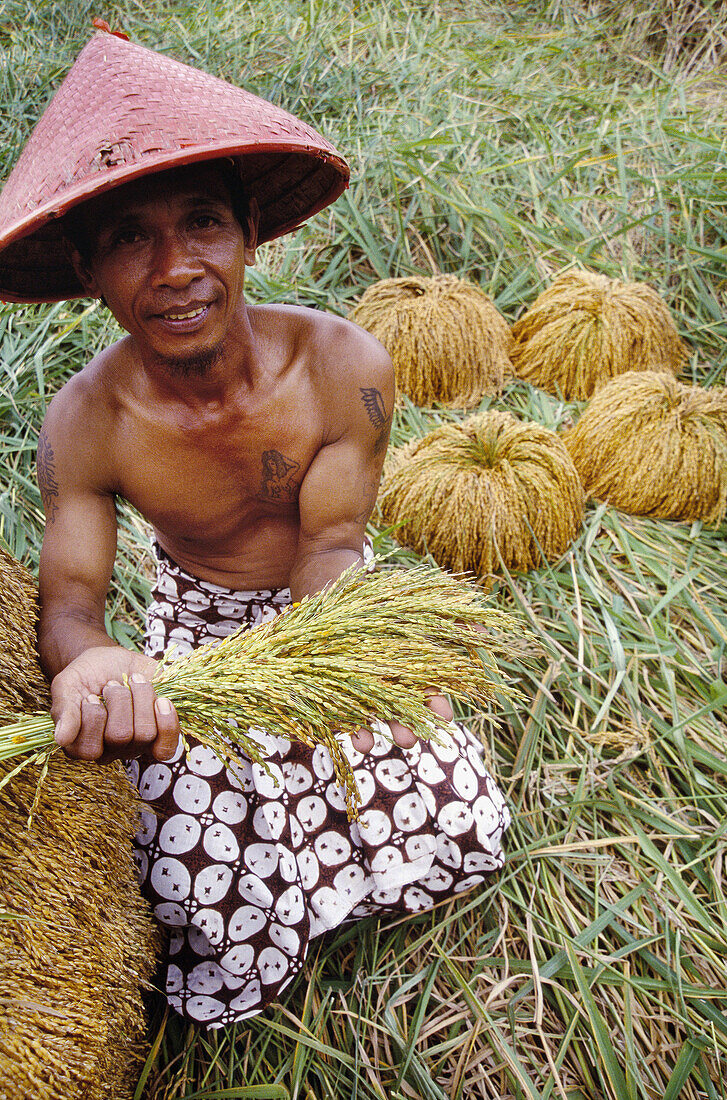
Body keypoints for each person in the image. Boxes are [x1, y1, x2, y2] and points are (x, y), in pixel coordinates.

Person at [0, 27, 510, 1027]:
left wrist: (340, 673)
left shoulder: (343, 365)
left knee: (451, 802)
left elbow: (330, 547)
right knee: (184, 842)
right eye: (130, 238)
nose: (175, 266)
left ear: (248, 236)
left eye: (202, 224)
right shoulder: (84, 423)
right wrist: (95, 662)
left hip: (332, 602)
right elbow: (70, 605)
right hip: (195, 622)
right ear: (90, 267)